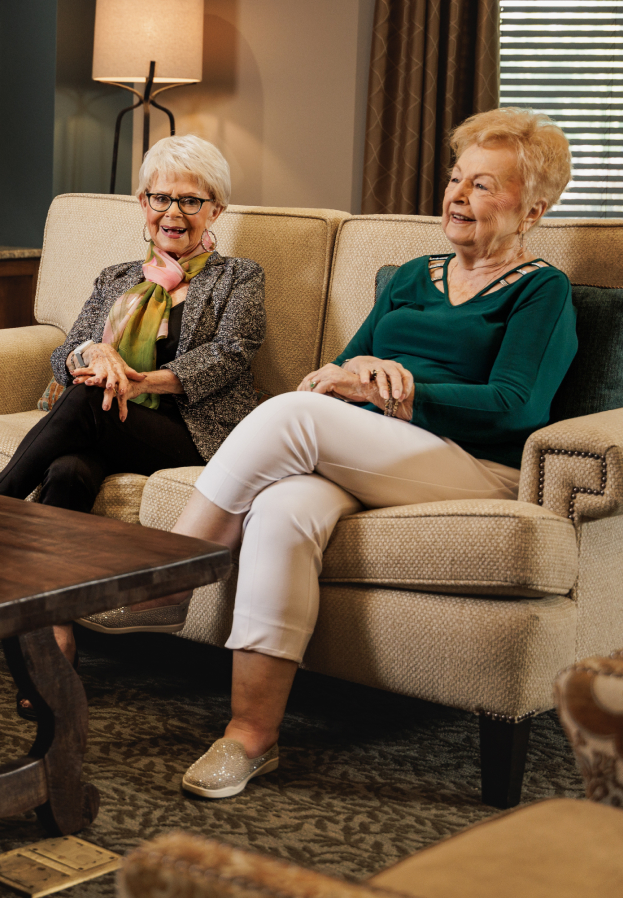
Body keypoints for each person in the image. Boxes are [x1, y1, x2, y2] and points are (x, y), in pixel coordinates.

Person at [87, 106, 577, 796]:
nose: (458, 197)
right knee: (283, 509)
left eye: (483, 187)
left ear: (533, 210)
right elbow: (339, 370)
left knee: (292, 415)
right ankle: (249, 738)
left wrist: (400, 395)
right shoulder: (412, 275)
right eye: (456, 179)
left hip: (468, 465)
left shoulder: (541, 292)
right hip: (374, 453)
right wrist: (350, 380)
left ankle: (168, 576)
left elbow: (517, 405)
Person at [0, 134, 265, 719]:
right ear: (142, 205)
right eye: (161, 198)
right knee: (65, 470)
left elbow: (232, 354)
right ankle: (52, 643)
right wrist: (97, 354)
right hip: (111, 426)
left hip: (189, 432)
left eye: (192, 201)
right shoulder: (117, 276)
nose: (174, 213)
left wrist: (140, 380)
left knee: (88, 402)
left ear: (217, 209)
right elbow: (68, 350)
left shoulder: (239, 276)